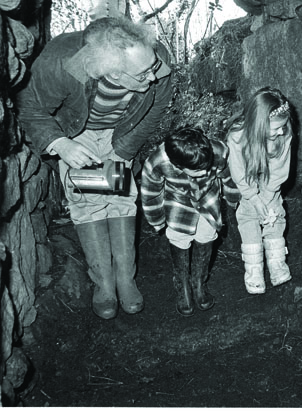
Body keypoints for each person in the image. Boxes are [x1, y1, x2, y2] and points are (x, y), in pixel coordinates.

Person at [17, 17, 173, 319]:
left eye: (152, 67)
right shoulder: (63, 63)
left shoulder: (155, 59)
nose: (153, 76)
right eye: (142, 74)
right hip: (78, 132)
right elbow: (29, 104)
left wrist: (125, 148)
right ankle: (104, 284)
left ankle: (125, 279)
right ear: (112, 72)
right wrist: (61, 144)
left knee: (120, 197)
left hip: (122, 132)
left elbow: (155, 108)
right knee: (88, 202)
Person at [140, 126, 239, 316]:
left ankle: (198, 282)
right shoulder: (158, 162)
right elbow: (150, 193)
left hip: (208, 197)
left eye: (206, 167)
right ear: (178, 165)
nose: (204, 172)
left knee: (207, 235)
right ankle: (182, 284)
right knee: (179, 237)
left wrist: (232, 197)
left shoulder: (219, 151)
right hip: (179, 200)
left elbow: (229, 176)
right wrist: (157, 220)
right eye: (197, 170)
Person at [226, 87, 294, 294]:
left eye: (283, 126)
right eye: (276, 128)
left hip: (270, 179)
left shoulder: (283, 134)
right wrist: (253, 198)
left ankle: (277, 263)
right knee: (248, 214)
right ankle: (254, 270)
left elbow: (279, 168)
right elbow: (238, 171)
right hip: (247, 179)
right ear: (258, 124)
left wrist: (267, 195)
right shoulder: (238, 136)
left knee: (274, 212)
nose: (281, 131)